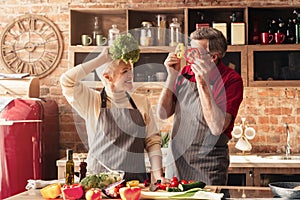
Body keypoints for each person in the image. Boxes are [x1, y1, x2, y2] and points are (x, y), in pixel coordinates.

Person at [60, 46, 167, 183]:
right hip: (98, 182)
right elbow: (67, 81)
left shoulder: (141, 101)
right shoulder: (92, 101)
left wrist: (158, 176)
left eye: (131, 70)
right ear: (107, 77)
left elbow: (152, 141)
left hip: (134, 182)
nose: (131, 75)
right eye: (125, 71)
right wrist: (101, 60)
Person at [157, 27, 244, 186]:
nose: (188, 55)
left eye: (195, 52)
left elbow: (217, 127)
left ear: (213, 57)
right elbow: (162, 114)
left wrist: (202, 82)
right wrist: (171, 77)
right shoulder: (185, 72)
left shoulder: (231, 80)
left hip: (208, 165)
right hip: (176, 162)